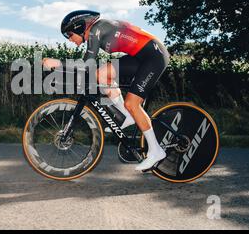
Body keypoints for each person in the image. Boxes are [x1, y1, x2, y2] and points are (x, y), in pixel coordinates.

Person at [43, 10, 171, 172]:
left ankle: (156, 151)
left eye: (69, 34)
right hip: (140, 57)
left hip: (154, 56)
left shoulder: (97, 30)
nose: (70, 39)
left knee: (133, 103)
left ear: (79, 27)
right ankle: (127, 117)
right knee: (102, 75)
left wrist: (58, 63)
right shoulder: (97, 31)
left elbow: (86, 64)